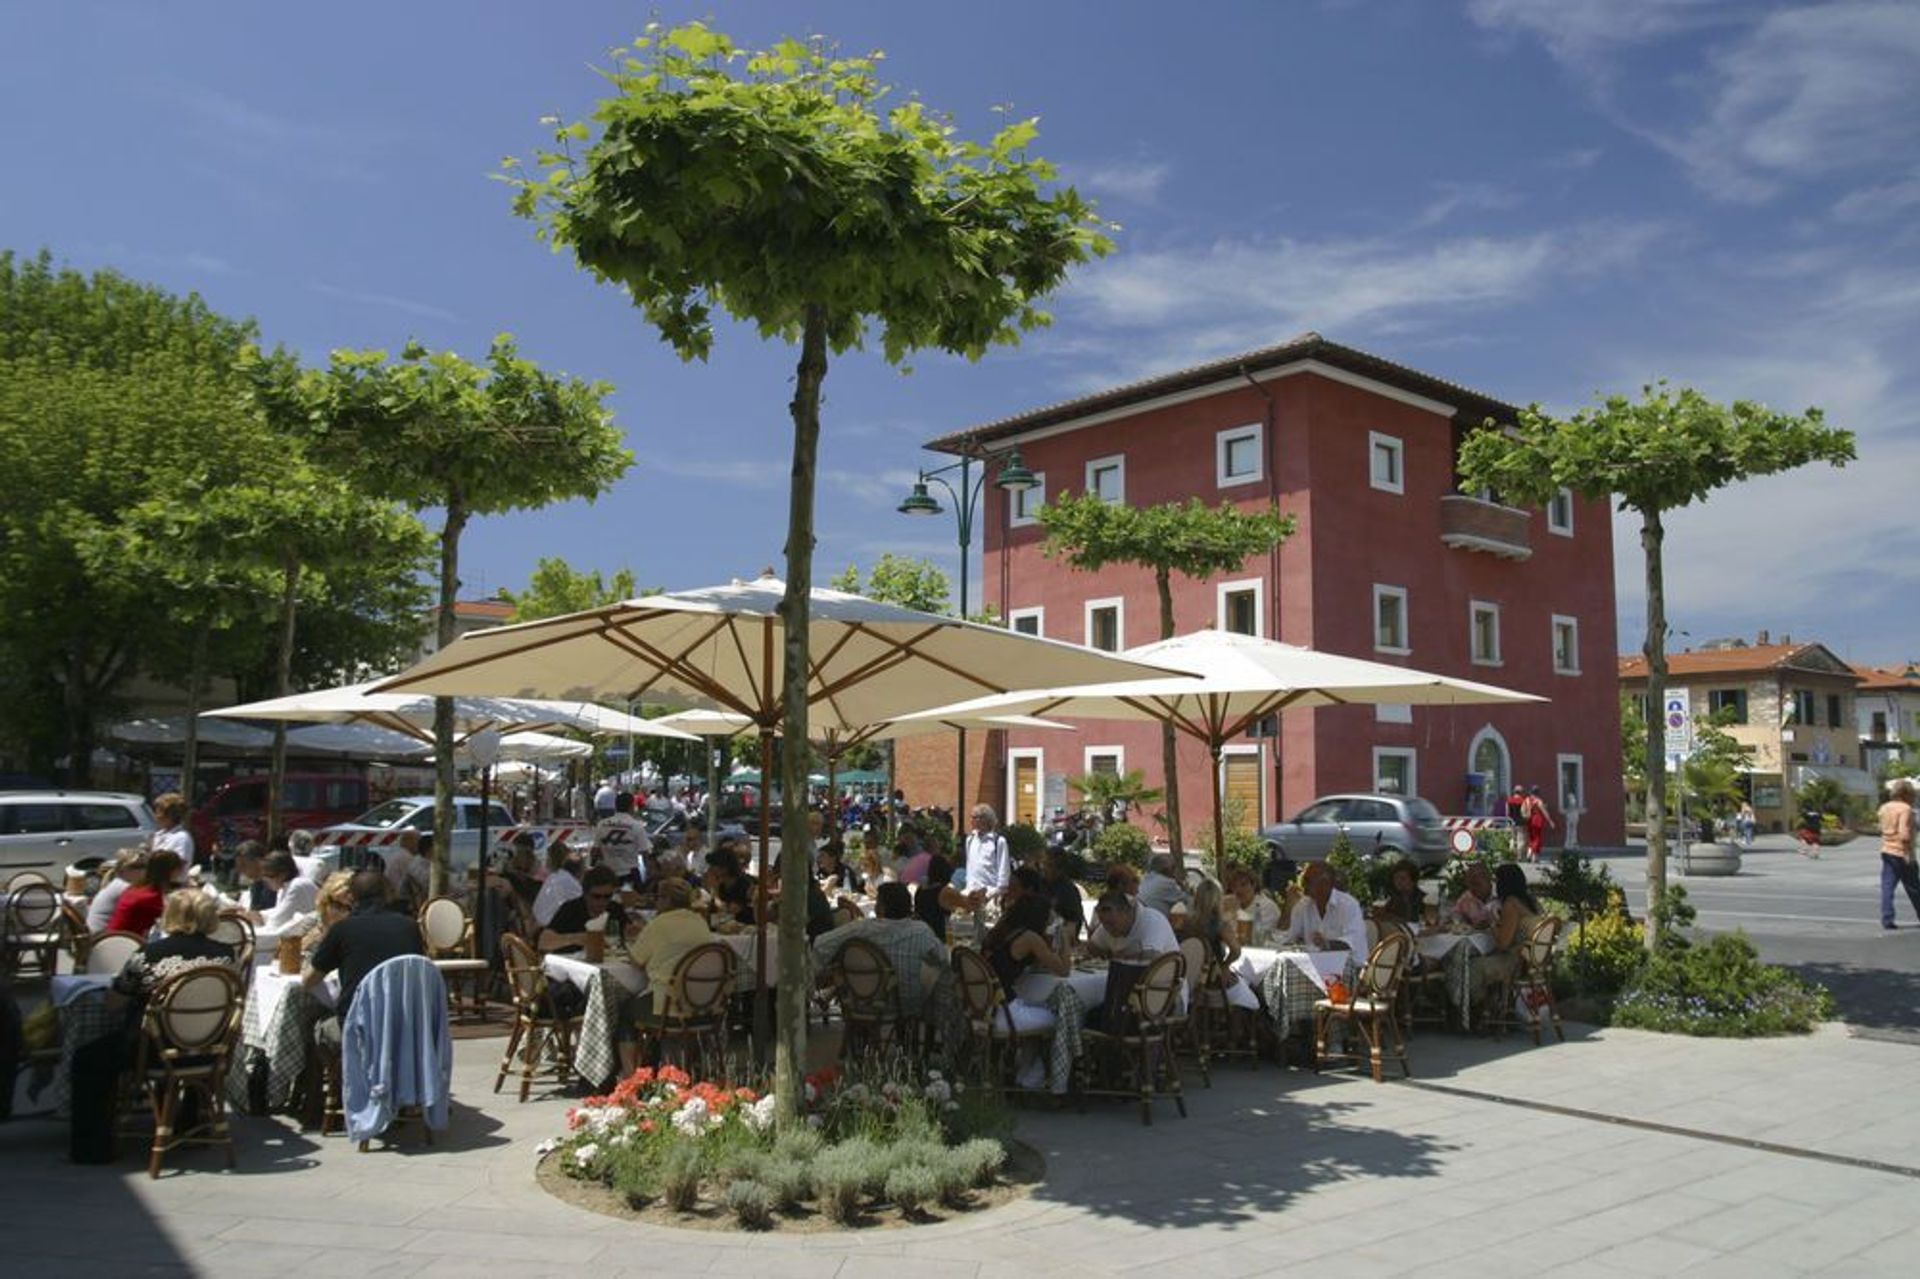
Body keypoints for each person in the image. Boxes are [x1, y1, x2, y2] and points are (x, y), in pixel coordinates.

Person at [306, 870, 427, 1047]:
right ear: (388, 893)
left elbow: (309, 980)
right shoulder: (409, 927)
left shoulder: (342, 929)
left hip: (357, 1024)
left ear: (352, 897)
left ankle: (332, 1074)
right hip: (404, 1021)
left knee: (314, 1026)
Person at [812, 882, 949, 1018]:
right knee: (934, 974)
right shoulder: (921, 931)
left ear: (881, 907)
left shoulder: (861, 930)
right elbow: (943, 959)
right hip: (909, 1005)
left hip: (862, 1003)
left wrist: (832, 966)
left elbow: (821, 944)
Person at [623, 878, 716, 1073]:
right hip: (703, 1004)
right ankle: (659, 1062)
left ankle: (630, 1077)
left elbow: (637, 961)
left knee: (624, 1010)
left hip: (669, 1006)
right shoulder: (699, 921)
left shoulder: (660, 924)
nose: (656, 902)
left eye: (658, 897)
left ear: (665, 900)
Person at [980, 894, 1069, 1090]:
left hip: (983, 1010)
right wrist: (1065, 938)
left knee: (1036, 1013)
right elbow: (1064, 970)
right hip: (1005, 1014)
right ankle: (1032, 1079)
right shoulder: (1029, 937)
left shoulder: (999, 932)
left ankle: (1026, 1075)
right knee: (1060, 1020)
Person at [1181, 877, 1258, 1012]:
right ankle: (1242, 1029)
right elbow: (1236, 950)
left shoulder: (1187, 923)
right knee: (1253, 993)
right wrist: (1225, 965)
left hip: (1190, 981)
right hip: (1214, 983)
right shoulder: (1219, 925)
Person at [1478, 862, 1543, 999]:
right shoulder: (1531, 902)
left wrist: (1492, 924)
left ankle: (1471, 1010)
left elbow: (1503, 944)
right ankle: (1490, 1006)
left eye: (1497, 880)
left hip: (1515, 963)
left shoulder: (1511, 904)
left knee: (1469, 967)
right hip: (1534, 962)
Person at [1282, 863, 1369, 955]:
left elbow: (1353, 940)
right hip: (1315, 964)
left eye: (1308, 881)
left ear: (1325, 884)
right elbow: (1290, 937)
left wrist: (1327, 944)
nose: (1303, 885)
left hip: (1348, 964)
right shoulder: (1303, 905)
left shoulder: (1348, 905)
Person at [539, 865, 629, 953]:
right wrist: (577, 938)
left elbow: (629, 935)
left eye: (607, 896)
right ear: (585, 894)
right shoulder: (570, 909)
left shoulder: (615, 909)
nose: (602, 901)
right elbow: (543, 943)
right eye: (596, 896)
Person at [1087, 888, 1181, 961]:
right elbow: (1092, 946)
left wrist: (1117, 956)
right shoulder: (1108, 924)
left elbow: (1151, 954)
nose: (1108, 929)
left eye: (1111, 924)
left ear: (1126, 912)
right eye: (1104, 924)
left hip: (1164, 983)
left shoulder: (1152, 920)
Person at [107, 849, 184, 936]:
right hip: (126, 944)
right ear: (171, 871)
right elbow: (177, 918)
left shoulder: (135, 888)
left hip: (113, 940)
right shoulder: (150, 897)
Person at [1876, 779, 1920, 931]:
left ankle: (1887, 918)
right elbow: (1904, 834)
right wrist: (1907, 852)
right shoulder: (1905, 809)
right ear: (1907, 794)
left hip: (1887, 850)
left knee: (1887, 886)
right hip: (1902, 851)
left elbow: (1881, 827)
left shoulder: (1884, 808)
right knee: (1914, 887)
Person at [592, 791, 652, 890]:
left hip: (607, 873)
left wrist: (593, 866)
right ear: (631, 806)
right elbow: (645, 852)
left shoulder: (602, 824)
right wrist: (649, 874)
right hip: (629, 874)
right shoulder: (636, 826)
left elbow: (595, 851)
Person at [254, 851, 321, 930]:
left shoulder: (297, 886)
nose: (265, 880)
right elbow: (278, 911)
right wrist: (258, 914)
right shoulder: (283, 888)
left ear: (283, 875)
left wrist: (260, 917)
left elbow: (278, 921)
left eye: (268, 876)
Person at [86, 848, 147, 934]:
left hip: (105, 936)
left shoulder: (116, 883)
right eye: (136, 867)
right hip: (106, 939)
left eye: (145, 866)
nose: (143, 871)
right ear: (123, 869)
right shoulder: (124, 887)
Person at [961, 804, 1011, 902]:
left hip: (990, 893)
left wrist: (996, 892)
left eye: (974, 817)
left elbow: (1004, 869)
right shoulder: (970, 840)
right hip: (971, 893)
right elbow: (969, 865)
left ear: (985, 819)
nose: (971, 820)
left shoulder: (998, 841)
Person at [1041, 848, 1087, 951]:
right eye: (1043, 864)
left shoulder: (1068, 890)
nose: (1043, 868)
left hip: (1056, 942)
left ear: (1059, 869)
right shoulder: (1038, 884)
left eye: (1048, 865)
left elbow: (1073, 924)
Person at [1225, 866, 1283, 945]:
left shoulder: (1266, 906)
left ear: (1254, 885)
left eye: (1243, 884)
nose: (1239, 890)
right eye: (1234, 886)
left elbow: (1256, 936)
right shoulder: (1231, 904)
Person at [532, 842, 584, 928]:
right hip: (551, 930)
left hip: (539, 924)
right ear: (580, 871)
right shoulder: (568, 882)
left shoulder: (553, 878)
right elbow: (584, 903)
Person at [384, 829, 431, 908]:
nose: (420, 845)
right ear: (408, 841)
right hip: (400, 900)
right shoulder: (406, 858)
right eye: (418, 841)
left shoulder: (400, 855)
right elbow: (422, 881)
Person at [1137, 852, 1191, 920]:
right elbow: (1186, 900)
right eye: (1173, 867)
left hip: (1142, 918)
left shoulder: (1147, 877)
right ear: (1167, 869)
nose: (1175, 870)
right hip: (1152, 922)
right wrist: (1184, 886)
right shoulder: (1167, 883)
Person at [147, 792, 196, 865]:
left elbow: (178, 865)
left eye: (158, 812)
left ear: (170, 815)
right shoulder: (157, 835)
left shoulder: (181, 838)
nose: (156, 816)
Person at [1377, 861, 1429, 926]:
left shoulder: (1424, 899)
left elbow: (1425, 921)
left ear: (1413, 880)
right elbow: (1383, 917)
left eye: (1403, 878)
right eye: (1396, 878)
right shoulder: (1394, 899)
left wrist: (1400, 920)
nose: (1398, 882)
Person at [1450, 862, 1499, 929]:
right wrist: (1463, 923)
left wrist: (1490, 923)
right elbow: (1455, 914)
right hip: (1475, 937)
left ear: (1488, 879)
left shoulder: (1500, 894)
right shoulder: (1467, 897)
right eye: (1470, 885)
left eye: (1477, 884)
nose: (1473, 889)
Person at [1522, 787, 1555, 862]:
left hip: (1529, 820)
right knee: (1537, 838)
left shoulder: (1527, 800)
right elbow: (1544, 812)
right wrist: (1550, 821)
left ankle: (1530, 854)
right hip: (1537, 819)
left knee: (1531, 838)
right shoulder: (1538, 801)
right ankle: (1532, 856)